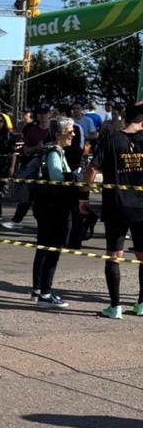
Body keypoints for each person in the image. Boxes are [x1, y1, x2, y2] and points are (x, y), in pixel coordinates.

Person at [83, 100, 143, 320]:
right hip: (141, 206)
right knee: (142, 255)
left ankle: (115, 307)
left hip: (117, 205)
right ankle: (141, 304)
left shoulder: (110, 139)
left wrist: (84, 194)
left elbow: (92, 168)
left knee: (114, 255)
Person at [31, 117, 79, 309]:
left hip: (45, 206)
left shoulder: (53, 151)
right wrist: (75, 176)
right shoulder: (54, 152)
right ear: (59, 134)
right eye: (70, 130)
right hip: (54, 208)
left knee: (43, 247)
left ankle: (38, 289)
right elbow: (57, 178)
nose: (73, 134)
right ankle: (46, 293)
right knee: (52, 249)